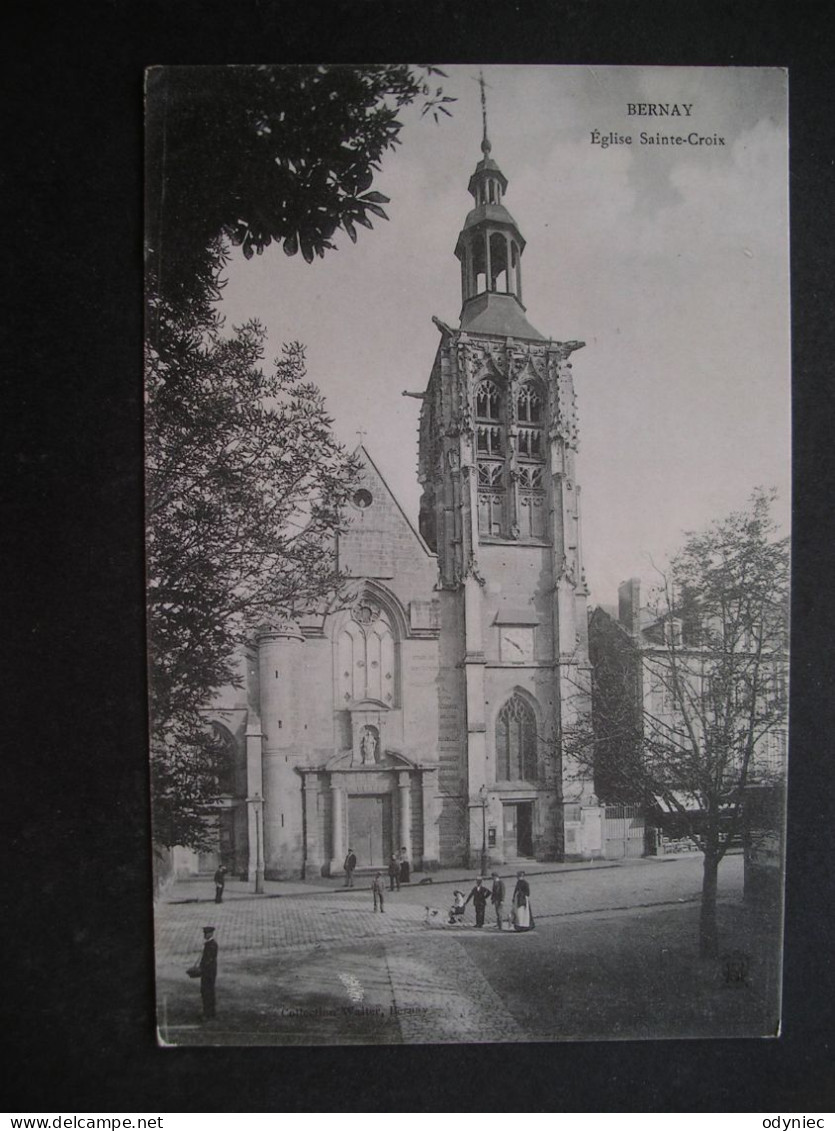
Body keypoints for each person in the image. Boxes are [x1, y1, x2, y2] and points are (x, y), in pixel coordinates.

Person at [198, 926, 218, 1020]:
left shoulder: (211, 945)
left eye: (206, 933)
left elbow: (208, 960)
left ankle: (208, 1013)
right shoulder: (210, 944)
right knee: (207, 991)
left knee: (207, 992)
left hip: (208, 973)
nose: (205, 935)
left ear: (210, 934)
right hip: (209, 972)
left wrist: (202, 968)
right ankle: (210, 1012)